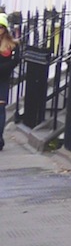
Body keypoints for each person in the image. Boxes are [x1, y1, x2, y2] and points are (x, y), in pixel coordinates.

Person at [0, 11, 16, 149]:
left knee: (0, 108)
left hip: (2, 79)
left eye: (1, 27)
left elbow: (15, 61)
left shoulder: (11, 44)